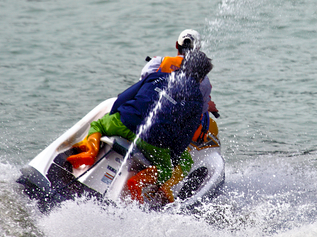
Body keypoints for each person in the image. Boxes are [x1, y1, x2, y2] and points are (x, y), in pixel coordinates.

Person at [67, 50, 213, 208]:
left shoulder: (157, 76)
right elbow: (184, 137)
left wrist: (118, 117)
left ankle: (90, 151)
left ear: (182, 65)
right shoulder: (197, 101)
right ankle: (139, 181)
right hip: (153, 143)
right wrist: (172, 158)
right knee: (166, 169)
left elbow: (121, 99)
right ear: (202, 77)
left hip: (124, 124)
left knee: (98, 125)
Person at [141, 29, 219, 134]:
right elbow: (200, 108)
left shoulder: (156, 62)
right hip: (178, 125)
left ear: (177, 45)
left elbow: (142, 84)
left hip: (149, 114)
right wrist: (208, 107)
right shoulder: (203, 79)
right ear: (198, 49)